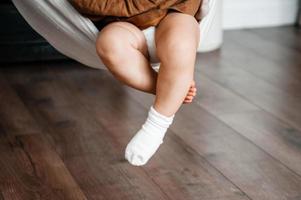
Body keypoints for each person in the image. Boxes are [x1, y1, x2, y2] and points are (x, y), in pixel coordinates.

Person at [72, 0, 203, 166]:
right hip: (121, 24)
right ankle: (173, 87)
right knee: (110, 45)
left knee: (181, 43)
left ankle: (156, 125)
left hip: (174, 12)